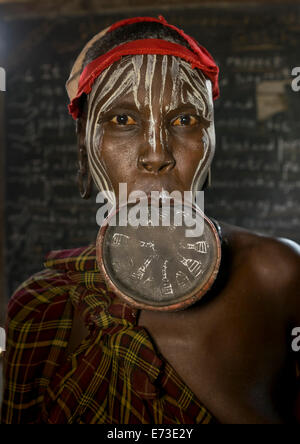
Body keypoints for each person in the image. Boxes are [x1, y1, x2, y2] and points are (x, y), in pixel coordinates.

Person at [1, 16, 300, 425]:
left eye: (185, 120)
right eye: (122, 120)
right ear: (85, 145)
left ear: (210, 142)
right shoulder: (40, 306)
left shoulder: (281, 277)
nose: (156, 154)